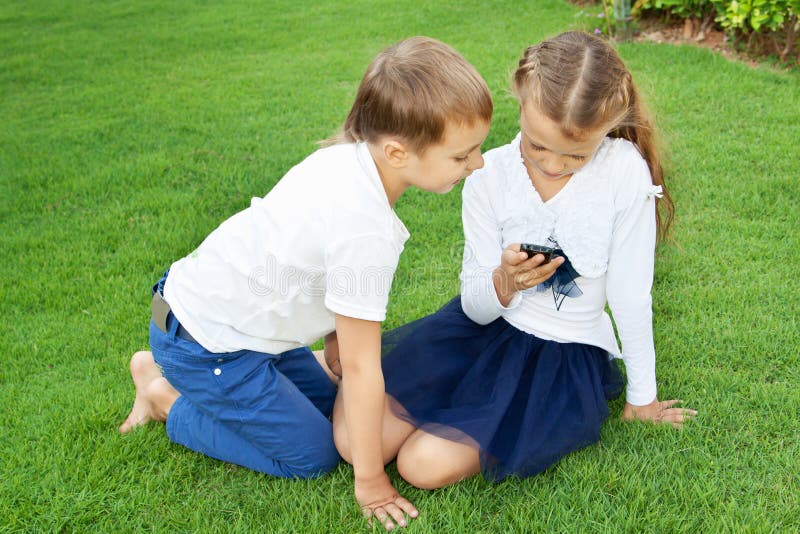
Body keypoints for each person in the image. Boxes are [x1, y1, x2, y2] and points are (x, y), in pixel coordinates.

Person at [118, 36, 492, 530]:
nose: (478, 164)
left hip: (236, 324)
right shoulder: (365, 230)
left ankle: (171, 376)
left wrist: (334, 334)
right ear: (398, 152)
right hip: (210, 346)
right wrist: (370, 481)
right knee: (313, 455)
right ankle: (163, 396)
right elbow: (362, 370)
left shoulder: (349, 158)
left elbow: (304, 264)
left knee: (332, 411)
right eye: (462, 156)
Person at [332, 31, 697, 491]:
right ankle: (342, 369)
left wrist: (643, 396)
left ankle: (359, 383)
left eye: (576, 155)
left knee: (421, 467)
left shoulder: (623, 171)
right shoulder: (490, 176)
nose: (553, 165)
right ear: (520, 105)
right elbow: (474, 306)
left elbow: (629, 293)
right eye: (538, 145)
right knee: (354, 444)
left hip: (562, 354)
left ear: (606, 129)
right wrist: (504, 282)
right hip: (481, 332)